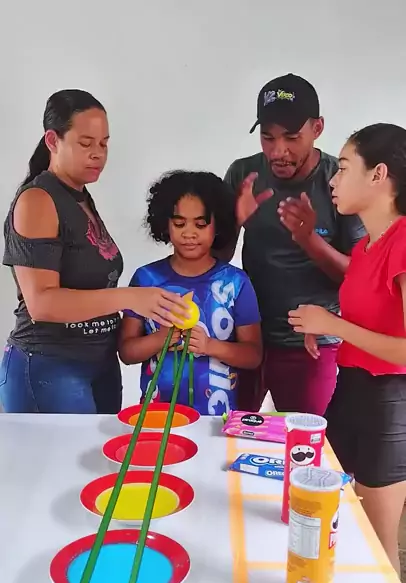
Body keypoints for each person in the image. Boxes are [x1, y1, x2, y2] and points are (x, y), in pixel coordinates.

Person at [0, 89, 188, 414]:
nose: (98, 154)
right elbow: (42, 303)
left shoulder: (81, 197)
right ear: (52, 140)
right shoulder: (38, 200)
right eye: (86, 143)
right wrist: (131, 298)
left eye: (103, 144)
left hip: (98, 364)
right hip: (50, 365)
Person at [288, 123, 406, 574]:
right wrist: (324, 324)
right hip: (351, 390)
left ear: (378, 175)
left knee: (377, 547)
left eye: (342, 168)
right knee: (337, 522)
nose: (333, 181)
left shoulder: (403, 241)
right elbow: (370, 320)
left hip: (389, 404)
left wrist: (334, 324)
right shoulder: (364, 249)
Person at [220, 73, 365, 414]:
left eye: (292, 137)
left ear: (318, 128)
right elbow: (214, 265)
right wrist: (233, 224)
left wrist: (309, 240)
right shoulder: (243, 175)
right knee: (228, 433)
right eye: (267, 137)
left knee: (308, 440)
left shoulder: (340, 181)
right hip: (246, 336)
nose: (278, 151)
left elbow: (359, 278)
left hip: (313, 345)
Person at [119, 170, 262, 415]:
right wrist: (161, 339)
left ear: (218, 225)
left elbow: (253, 355)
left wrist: (210, 346)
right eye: (179, 223)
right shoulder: (146, 279)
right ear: (165, 224)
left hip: (217, 417)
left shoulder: (235, 283)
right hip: (158, 415)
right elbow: (126, 352)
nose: (189, 233)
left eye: (200, 224)